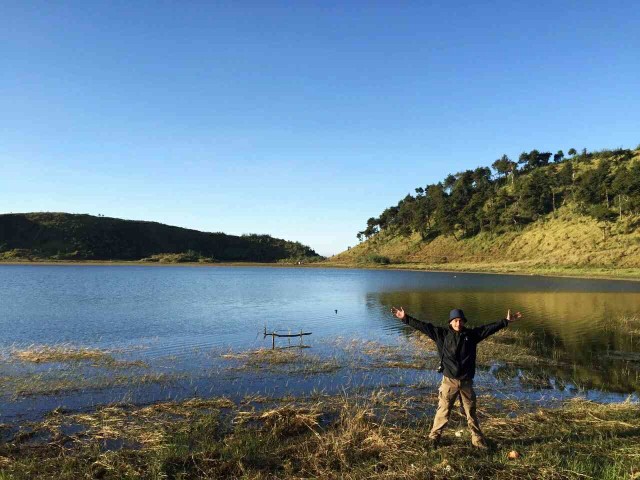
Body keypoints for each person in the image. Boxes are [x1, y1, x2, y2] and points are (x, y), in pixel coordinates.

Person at [391, 306, 522, 448]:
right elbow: (423, 326)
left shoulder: (471, 335)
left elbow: (488, 329)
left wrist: (506, 321)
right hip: (449, 381)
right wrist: (405, 318)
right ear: (450, 322)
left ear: (463, 322)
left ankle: (477, 440)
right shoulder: (441, 334)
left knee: (470, 412)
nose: (458, 323)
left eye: (460, 321)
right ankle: (434, 439)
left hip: (466, 383)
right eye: (455, 321)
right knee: (443, 411)